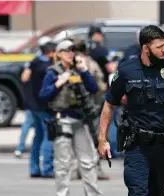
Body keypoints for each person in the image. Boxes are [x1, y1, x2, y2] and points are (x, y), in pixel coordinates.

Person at [98, 25, 164, 196]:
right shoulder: (126, 69)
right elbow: (109, 104)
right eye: (159, 47)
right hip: (137, 144)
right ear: (145, 48)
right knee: (138, 191)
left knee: (158, 190)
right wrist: (102, 138)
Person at [39, 39, 102, 196]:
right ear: (59, 54)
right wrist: (58, 83)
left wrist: (84, 70)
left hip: (80, 120)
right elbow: (44, 95)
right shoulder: (53, 72)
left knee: (88, 160)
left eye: (73, 51)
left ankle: (92, 193)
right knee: (63, 163)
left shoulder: (78, 71)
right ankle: (63, 193)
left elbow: (93, 88)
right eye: (67, 51)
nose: (71, 54)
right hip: (62, 119)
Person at [70, 36, 110, 180]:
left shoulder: (68, 64)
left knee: (74, 140)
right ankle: (96, 169)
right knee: (95, 139)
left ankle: (75, 170)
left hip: (74, 108)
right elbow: (100, 86)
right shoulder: (90, 64)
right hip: (92, 107)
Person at [14, 36, 52, 158]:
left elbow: (24, 78)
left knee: (37, 133)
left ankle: (22, 149)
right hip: (38, 103)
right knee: (45, 132)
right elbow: (25, 78)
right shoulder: (44, 64)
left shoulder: (34, 62)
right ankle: (43, 159)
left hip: (31, 102)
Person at [29, 41, 57, 178]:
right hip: (44, 106)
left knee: (38, 137)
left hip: (33, 106)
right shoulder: (47, 68)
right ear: (51, 52)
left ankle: (34, 168)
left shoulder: (34, 63)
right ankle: (47, 168)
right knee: (49, 136)